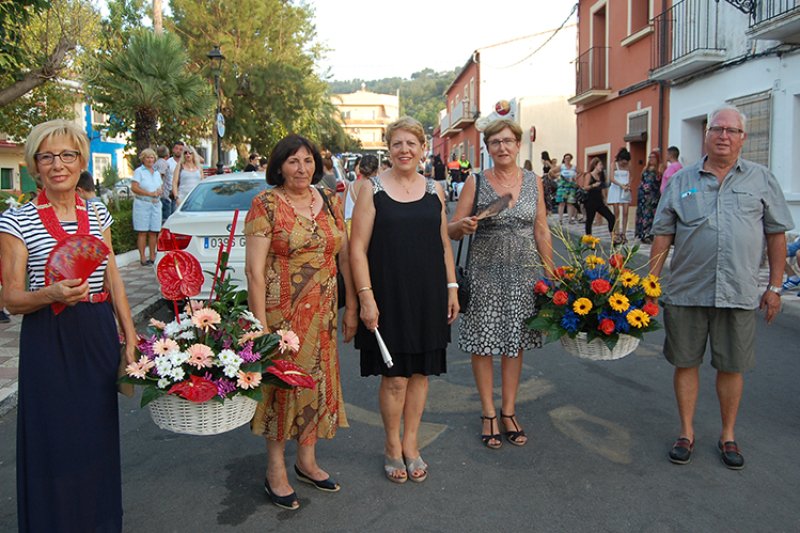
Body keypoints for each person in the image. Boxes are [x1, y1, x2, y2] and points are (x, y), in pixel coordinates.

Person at [0, 119, 137, 532]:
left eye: (67, 155)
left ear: (80, 162)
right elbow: (11, 298)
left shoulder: (96, 211)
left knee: (95, 437)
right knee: (55, 439)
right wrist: (51, 295)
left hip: (96, 331)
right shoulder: (16, 222)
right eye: (47, 156)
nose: (57, 164)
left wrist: (129, 337)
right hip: (50, 337)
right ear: (34, 166)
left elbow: (112, 276)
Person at [648, 105, 793, 470]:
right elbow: (663, 234)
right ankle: (686, 433)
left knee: (732, 367)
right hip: (686, 290)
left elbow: (777, 235)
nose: (724, 136)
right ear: (707, 135)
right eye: (717, 129)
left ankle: (728, 434)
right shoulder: (681, 181)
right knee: (685, 363)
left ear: (742, 138)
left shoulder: (761, 179)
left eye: (732, 130)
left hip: (739, 291)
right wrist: (650, 283)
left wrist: (774, 287)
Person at [244, 134, 357, 511]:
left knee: (316, 381)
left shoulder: (329, 200)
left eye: (307, 161)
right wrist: (259, 327)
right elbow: (254, 272)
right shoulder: (266, 204)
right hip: (282, 314)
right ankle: (275, 469)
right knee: (282, 387)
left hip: (324, 311)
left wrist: (352, 305)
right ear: (278, 166)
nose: (301, 169)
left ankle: (306, 461)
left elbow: (343, 258)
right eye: (292, 161)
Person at [350, 117, 458, 483]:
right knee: (395, 377)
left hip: (429, 293)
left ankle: (412, 444)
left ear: (423, 148)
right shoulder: (372, 189)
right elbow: (357, 248)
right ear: (388, 149)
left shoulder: (435, 190)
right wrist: (366, 297)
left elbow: (443, 243)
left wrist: (452, 287)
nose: (405, 150)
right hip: (388, 295)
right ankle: (392, 446)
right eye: (397, 144)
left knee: (420, 374)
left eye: (412, 143)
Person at [448, 118, 554, 450]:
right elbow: (451, 229)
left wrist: (551, 276)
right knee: (483, 343)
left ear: (518, 144)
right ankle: (488, 413)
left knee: (515, 342)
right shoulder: (475, 182)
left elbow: (541, 229)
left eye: (508, 141)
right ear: (488, 148)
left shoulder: (533, 182)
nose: (502, 147)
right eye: (495, 142)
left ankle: (509, 411)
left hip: (523, 274)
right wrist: (463, 225)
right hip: (485, 273)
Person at [131, 148, 163, 266]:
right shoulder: (139, 171)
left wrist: (159, 191)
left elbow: (160, 186)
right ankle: (143, 257)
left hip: (155, 204)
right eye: (147, 157)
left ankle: (153, 255)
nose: (150, 160)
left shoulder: (156, 173)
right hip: (142, 204)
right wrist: (149, 194)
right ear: (143, 159)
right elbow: (134, 187)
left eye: (152, 157)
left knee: (154, 231)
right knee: (142, 231)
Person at [579, 157, 615, 236]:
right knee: (590, 221)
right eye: (600, 165)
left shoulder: (601, 176)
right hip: (590, 201)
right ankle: (589, 240)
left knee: (611, 218)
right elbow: (584, 187)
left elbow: (602, 188)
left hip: (599, 201)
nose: (602, 166)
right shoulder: (589, 175)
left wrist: (605, 199)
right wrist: (593, 185)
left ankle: (613, 238)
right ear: (595, 165)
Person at [344, 153, 378, 235]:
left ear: (359, 168)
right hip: (369, 233)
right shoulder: (376, 189)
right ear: (376, 171)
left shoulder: (349, 187)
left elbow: (342, 212)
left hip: (350, 232)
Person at [635, 151, 662, 244]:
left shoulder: (660, 169)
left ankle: (650, 234)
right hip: (643, 195)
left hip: (653, 195)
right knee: (643, 214)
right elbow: (642, 180)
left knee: (651, 215)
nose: (651, 159)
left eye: (653, 157)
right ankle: (643, 234)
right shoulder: (645, 169)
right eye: (649, 157)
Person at [608, 148, 632, 245]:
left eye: (625, 162)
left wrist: (628, 184)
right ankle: (616, 232)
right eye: (622, 161)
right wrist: (620, 185)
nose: (624, 163)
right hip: (616, 188)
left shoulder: (628, 165)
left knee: (626, 212)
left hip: (625, 189)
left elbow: (631, 176)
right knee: (616, 212)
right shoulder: (614, 164)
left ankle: (624, 233)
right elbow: (611, 178)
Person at [556, 153, 579, 224]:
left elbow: (581, 172)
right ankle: (560, 220)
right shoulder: (561, 166)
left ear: (571, 159)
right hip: (562, 186)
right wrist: (558, 177)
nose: (567, 160)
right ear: (564, 159)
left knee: (570, 203)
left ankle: (570, 219)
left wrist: (575, 178)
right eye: (566, 158)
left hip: (571, 186)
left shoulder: (574, 167)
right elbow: (552, 172)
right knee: (561, 203)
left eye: (569, 158)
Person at [153, 145, 174, 221]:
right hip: (163, 195)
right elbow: (160, 176)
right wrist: (160, 190)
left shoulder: (156, 163)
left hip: (161, 195)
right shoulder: (163, 163)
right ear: (167, 154)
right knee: (166, 220)